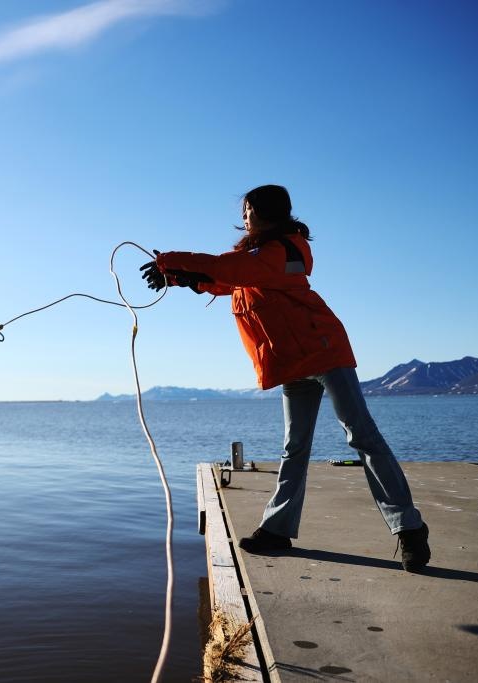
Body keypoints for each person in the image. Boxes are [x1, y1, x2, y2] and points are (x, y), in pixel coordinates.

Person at [141, 184, 431, 572]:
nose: (244, 217)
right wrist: (178, 279)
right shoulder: (256, 257)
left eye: (248, 210)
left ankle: (410, 530)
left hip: (325, 353)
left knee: (361, 435)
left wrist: (172, 260)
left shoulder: (286, 252)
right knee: (294, 448)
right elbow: (226, 281)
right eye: (243, 211)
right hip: (292, 362)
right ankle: (277, 531)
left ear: (266, 212)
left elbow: (230, 270)